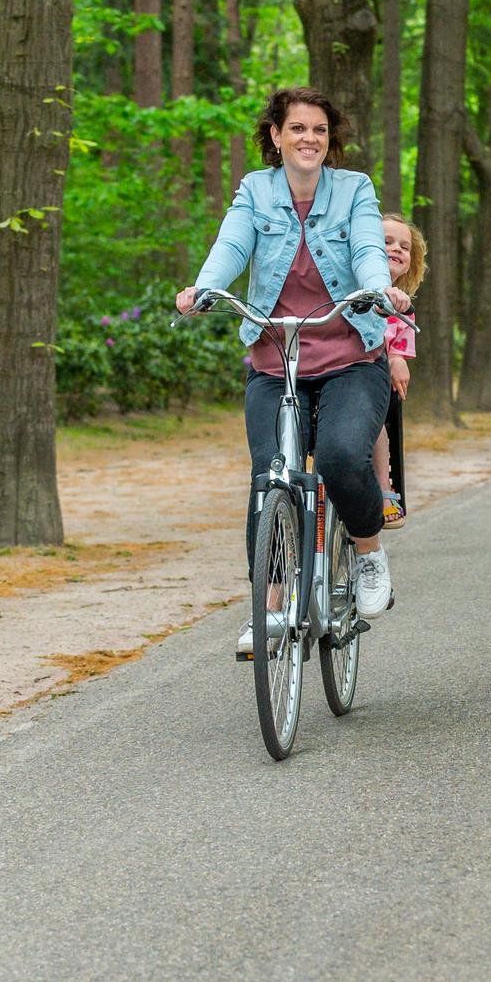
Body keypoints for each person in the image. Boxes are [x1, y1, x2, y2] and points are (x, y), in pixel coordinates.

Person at [174, 87, 412, 656]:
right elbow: (233, 244)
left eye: (320, 130)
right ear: (276, 136)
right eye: (298, 128)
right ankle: (270, 610)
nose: (310, 139)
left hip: (350, 358)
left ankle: (369, 552)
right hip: (276, 361)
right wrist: (206, 287)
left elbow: (366, 248)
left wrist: (379, 288)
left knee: (339, 456)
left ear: (330, 140)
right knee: (270, 477)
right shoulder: (255, 190)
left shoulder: (354, 189)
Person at [373, 212, 428, 528]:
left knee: (375, 421)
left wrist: (396, 359)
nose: (396, 249)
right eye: (387, 242)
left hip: (373, 382)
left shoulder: (404, 305)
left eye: (404, 247)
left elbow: (399, 343)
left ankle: (384, 490)